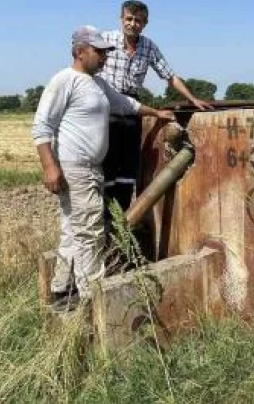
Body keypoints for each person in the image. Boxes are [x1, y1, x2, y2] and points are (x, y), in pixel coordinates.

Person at [32, 25, 174, 307]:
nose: (105, 57)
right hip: (76, 166)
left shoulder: (98, 84)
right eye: (99, 52)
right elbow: (41, 126)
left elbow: (127, 104)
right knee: (91, 231)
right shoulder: (65, 81)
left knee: (74, 228)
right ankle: (92, 298)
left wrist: (157, 112)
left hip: (92, 168)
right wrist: (50, 167)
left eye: (106, 52)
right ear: (80, 51)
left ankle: (62, 289)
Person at [98, 0, 211, 259]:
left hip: (132, 109)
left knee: (127, 171)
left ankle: (123, 225)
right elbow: (88, 66)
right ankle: (103, 227)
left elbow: (168, 75)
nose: (132, 24)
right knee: (106, 170)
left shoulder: (148, 47)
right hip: (105, 108)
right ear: (120, 19)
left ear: (145, 23)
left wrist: (192, 99)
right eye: (128, 19)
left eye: (138, 21)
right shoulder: (105, 40)